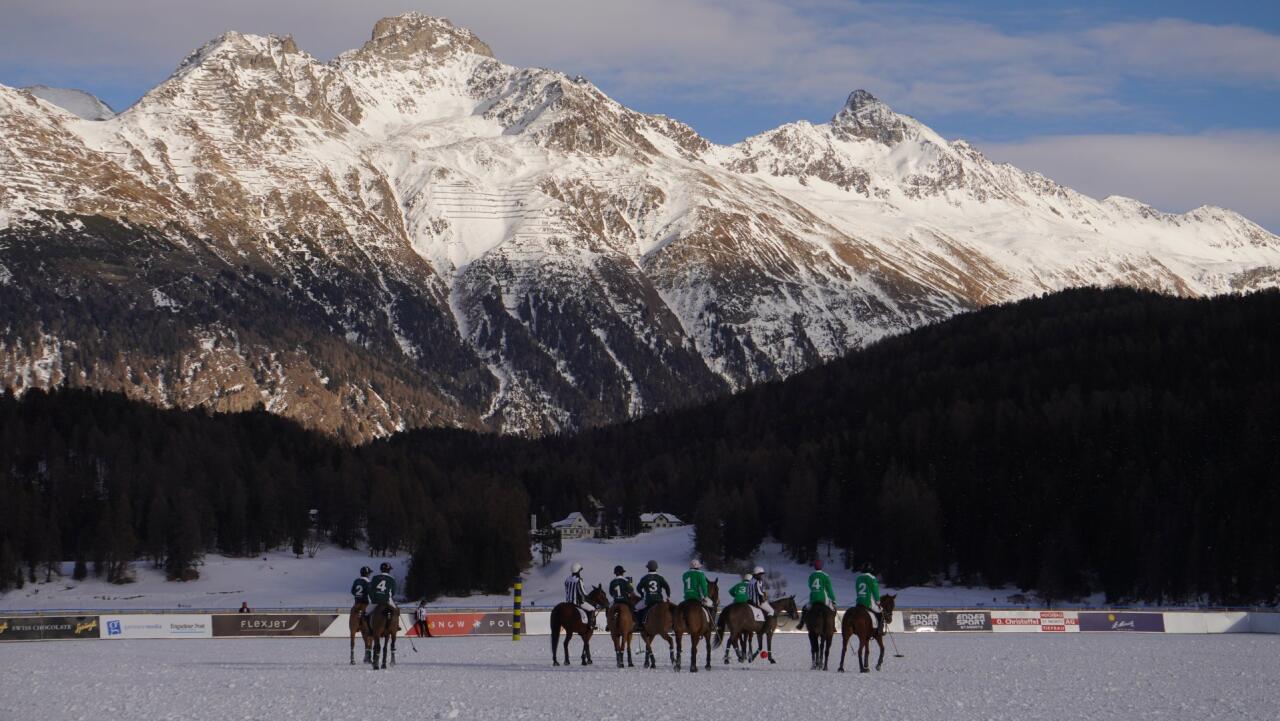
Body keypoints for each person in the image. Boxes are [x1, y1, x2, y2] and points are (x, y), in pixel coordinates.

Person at [797, 558, 835, 630]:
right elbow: (829, 589)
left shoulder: (811, 575)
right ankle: (833, 626)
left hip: (813, 598)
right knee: (833, 609)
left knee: (805, 608)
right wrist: (833, 599)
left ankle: (801, 624)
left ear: (815, 567)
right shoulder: (825, 576)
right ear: (821, 566)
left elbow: (810, 585)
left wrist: (815, 591)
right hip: (823, 598)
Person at [634, 560, 670, 627]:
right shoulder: (660, 578)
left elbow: (638, 588)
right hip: (659, 600)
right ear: (656, 568)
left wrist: (642, 594)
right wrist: (668, 596)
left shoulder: (645, 578)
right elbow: (667, 587)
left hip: (648, 600)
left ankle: (640, 624)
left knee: (636, 608)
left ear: (648, 568)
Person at [565, 562, 598, 629]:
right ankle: (590, 625)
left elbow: (566, 590)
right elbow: (582, 592)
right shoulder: (579, 580)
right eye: (580, 571)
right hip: (576, 602)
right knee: (592, 608)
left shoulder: (567, 579)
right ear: (578, 571)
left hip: (568, 602)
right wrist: (588, 598)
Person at [682, 559, 713, 623]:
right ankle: (710, 625)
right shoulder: (700, 574)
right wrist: (705, 596)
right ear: (698, 566)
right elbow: (703, 586)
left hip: (687, 597)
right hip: (696, 597)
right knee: (710, 607)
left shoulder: (685, 575)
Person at [854, 561, 883, 629]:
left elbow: (857, 590)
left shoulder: (858, 578)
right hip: (868, 602)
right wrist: (878, 602)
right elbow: (875, 592)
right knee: (880, 614)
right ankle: (879, 631)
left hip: (859, 602)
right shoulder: (872, 578)